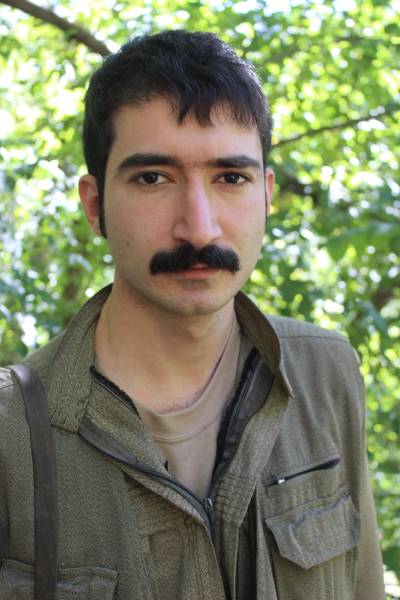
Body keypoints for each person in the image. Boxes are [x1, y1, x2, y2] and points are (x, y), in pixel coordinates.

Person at [0, 30, 385, 599]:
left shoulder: (325, 373)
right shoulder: (10, 435)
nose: (199, 228)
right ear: (95, 205)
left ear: (266, 196)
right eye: (153, 178)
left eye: (231, 178)